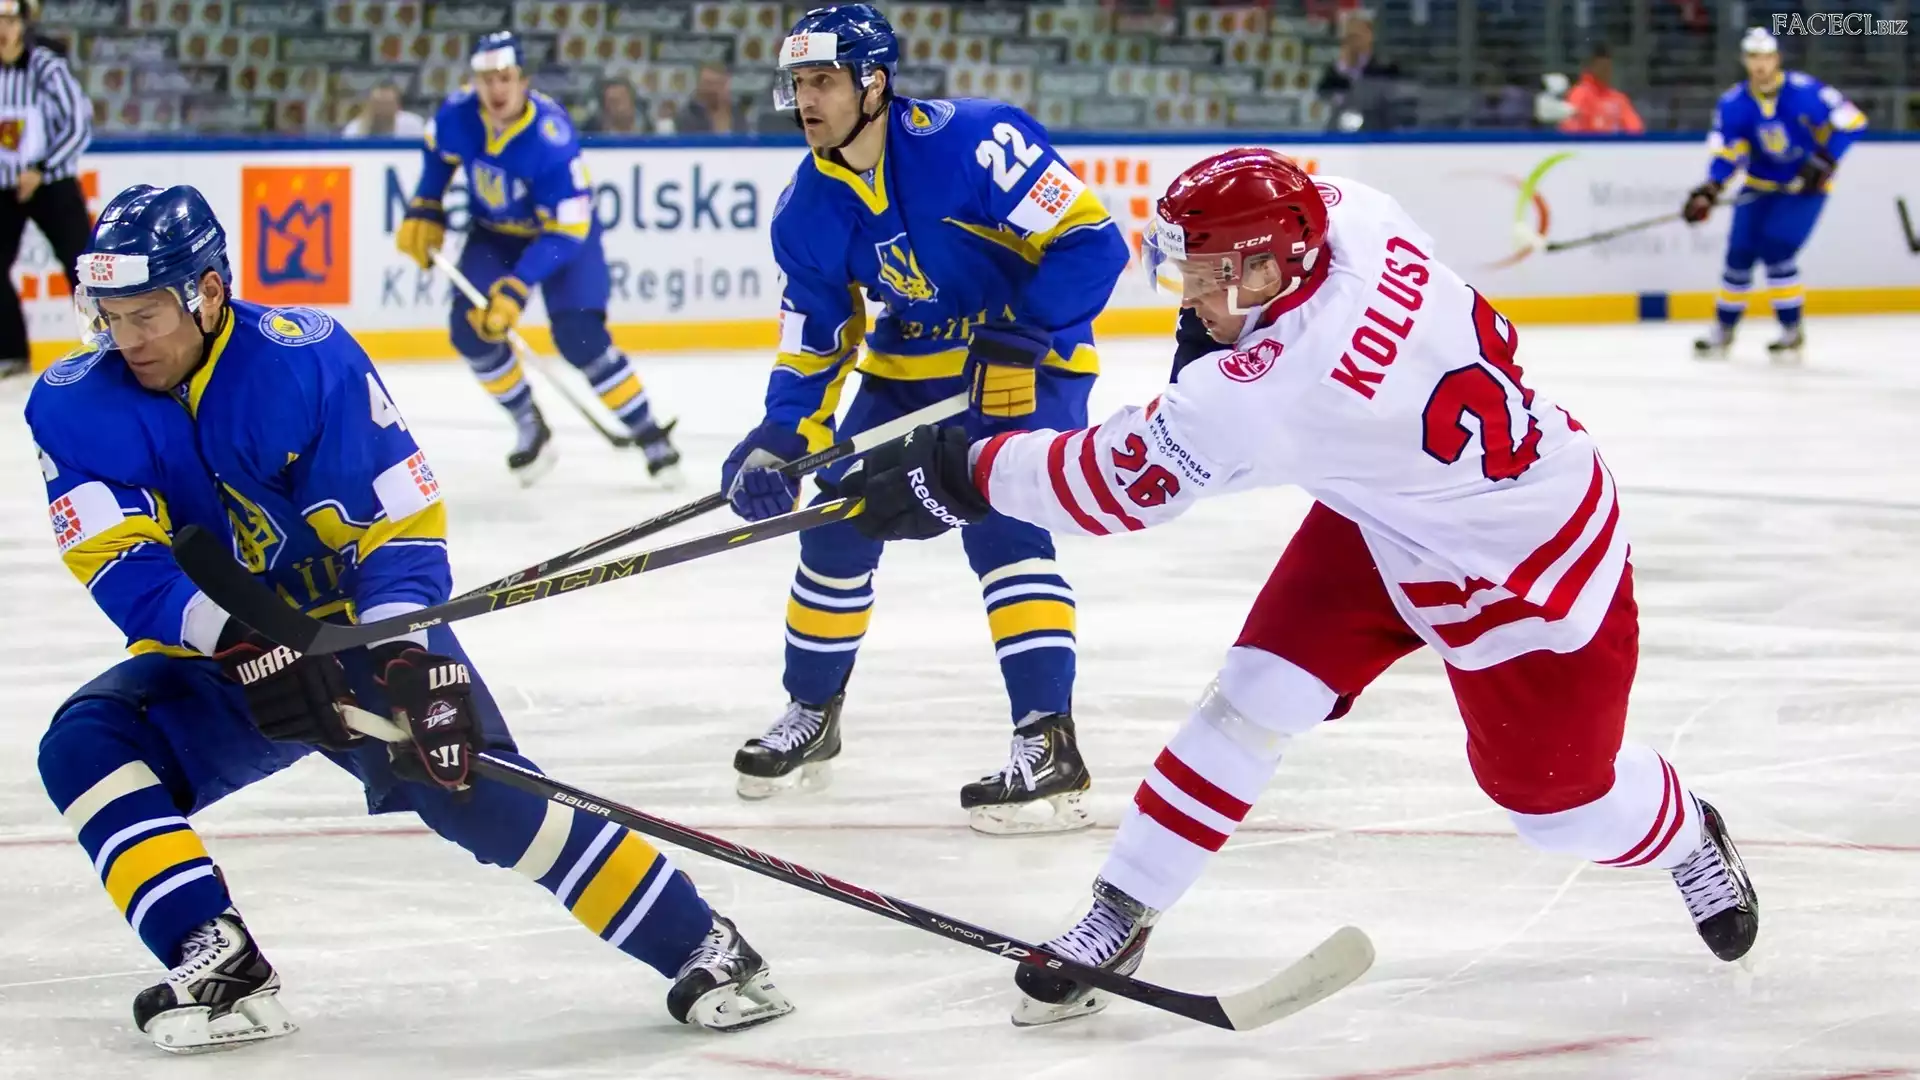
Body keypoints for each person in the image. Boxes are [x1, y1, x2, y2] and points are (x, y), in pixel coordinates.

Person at [840, 149, 1760, 1024]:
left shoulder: (1273, 387)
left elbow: (1113, 486)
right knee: (1254, 697)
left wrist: (963, 473)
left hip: (1528, 565)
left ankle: (1686, 831)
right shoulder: (1351, 213)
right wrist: (1212, 344)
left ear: (1270, 271)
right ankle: (1123, 909)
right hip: (1389, 512)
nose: (1189, 297)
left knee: (1560, 811)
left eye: (1206, 278)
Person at [25, 183, 791, 1053]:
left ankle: (703, 944)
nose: (125, 340)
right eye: (109, 317)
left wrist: (405, 656)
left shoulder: (304, 361)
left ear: (206, 291)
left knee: (476, 795)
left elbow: (399, 526)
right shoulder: (73, 403)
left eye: (146, 315)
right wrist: (239, 641)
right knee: (89, 744)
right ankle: (217, 955)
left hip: (354, 630)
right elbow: (119, 560)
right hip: (224, 651)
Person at [718, 4, 1130, 834]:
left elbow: (1094, 243)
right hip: (911, 371)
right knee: (835, 523)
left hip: (1028, 364)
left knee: (1003, 518)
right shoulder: (806, 209)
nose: (807, 100)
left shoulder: (976, 141)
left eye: (824, 81)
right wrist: (783, 435)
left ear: (875, 83)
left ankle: (1047, 740)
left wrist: (1020, 337)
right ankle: (813, 711)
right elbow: (816, 336)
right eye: (799, 83)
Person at [397, 31, 680, 484]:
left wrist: (517, 285)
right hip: (495, 236)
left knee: (580, 337)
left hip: (561, 239)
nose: (496, 89)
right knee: (470, 330)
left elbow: (568, 230)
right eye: (486, 79)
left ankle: (649, 433)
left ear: (523, 80)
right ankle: (531, 426)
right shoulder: (458, 113)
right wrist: (425, 204)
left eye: (505, 77)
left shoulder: (550, 138)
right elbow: (437, 152)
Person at [1685, 27, 1865, 365]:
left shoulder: (1807, 91)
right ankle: (1723, 329)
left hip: (1804, 189)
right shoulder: (1732, 103)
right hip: (1758, 187)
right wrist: (1711, 188)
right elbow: (1727, 152)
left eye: (1766, 57)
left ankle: (1791, 330)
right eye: (1754, 57)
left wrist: (1825, 160)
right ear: (1745, 60)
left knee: (1777, 249)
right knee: (1738, 254)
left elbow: (1854, 121)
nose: (1760, 65)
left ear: (1777, 58)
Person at [0, 0, 89, 378]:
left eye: (8, 20)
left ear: (22, 24)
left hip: (52, 182)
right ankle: (10, 353)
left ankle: (108, 344)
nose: (2, 29)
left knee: (83, 265)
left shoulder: (46, 67)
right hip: (4, 186)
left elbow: (78, 124)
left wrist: (42, 168)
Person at [1315, 9, 1403, 132]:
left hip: (1375, 132)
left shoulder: (1386, 68)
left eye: (1357, 35)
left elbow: (1386, 103)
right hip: (1339, 133)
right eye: (1349, 37)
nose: (1353, 42)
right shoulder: (1335, 71)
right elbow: (1325, 98)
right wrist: (1344, 70)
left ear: (1370, 35)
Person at [1557, 44, 1643, 134]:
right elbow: (1570, 128)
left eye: (1608, 68)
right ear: (1591, 66)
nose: (1606, 72)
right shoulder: (1579, 95)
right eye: (1602, 67)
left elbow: (1635, 128)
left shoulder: (1618, 98)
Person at [675, 63, 748, 134]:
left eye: (717, 83)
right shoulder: (688, 116)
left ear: (726, 85)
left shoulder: (737, 114)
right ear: (699, 86)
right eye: (708, 84)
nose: (712, 89)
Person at [341, 81, 427, 137]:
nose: (383, 110)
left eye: (387, 104)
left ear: (397, 106)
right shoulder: (354, 130)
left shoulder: (414, 124)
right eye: (379, 104)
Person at [582, 76, 647, 134]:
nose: (611, 107)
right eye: (609, 102)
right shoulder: (590, 131)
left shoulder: (648, 129)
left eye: (617, 101)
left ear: (632, 102)